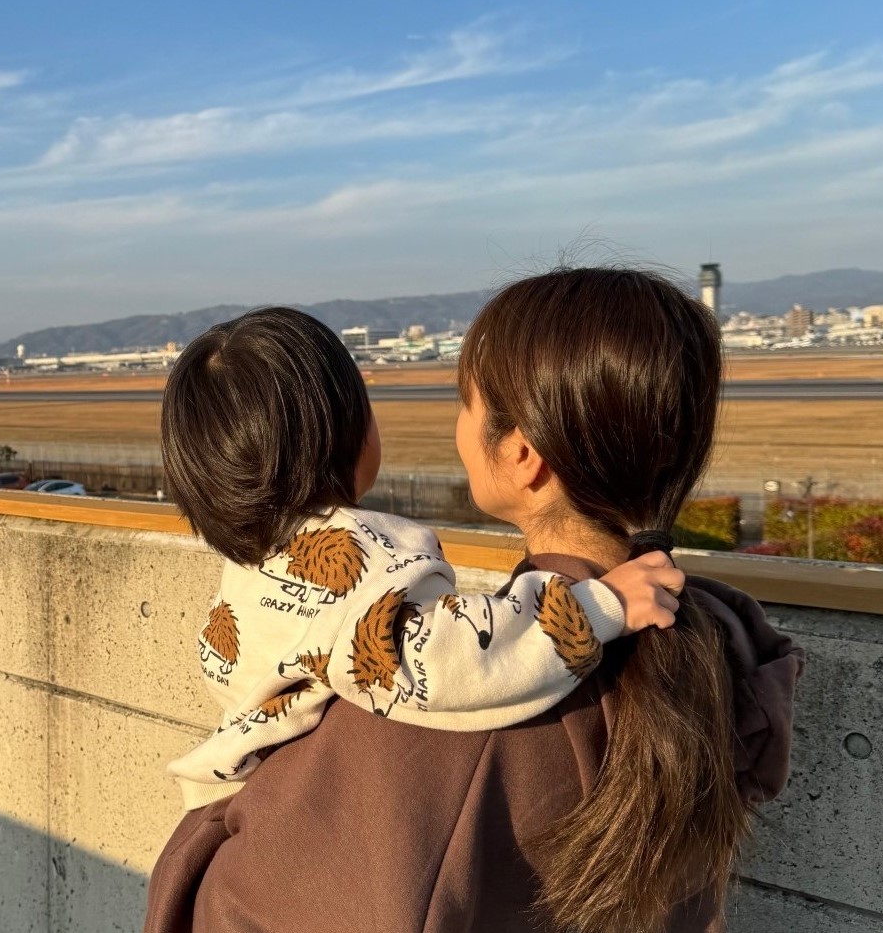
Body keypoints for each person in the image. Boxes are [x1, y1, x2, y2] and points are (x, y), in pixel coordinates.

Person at [146, 270, 803, 933]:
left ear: (523, 454)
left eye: (466, 402)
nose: (456, 427)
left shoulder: (446, 718)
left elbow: (248, 909)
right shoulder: (712, 643)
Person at [159, 307, 684, 808]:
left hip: (242, 791)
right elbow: (453, 659)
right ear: (346, 434)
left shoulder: (253, 557)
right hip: (297, 810)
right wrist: (603, 605)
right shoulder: (359, 558)